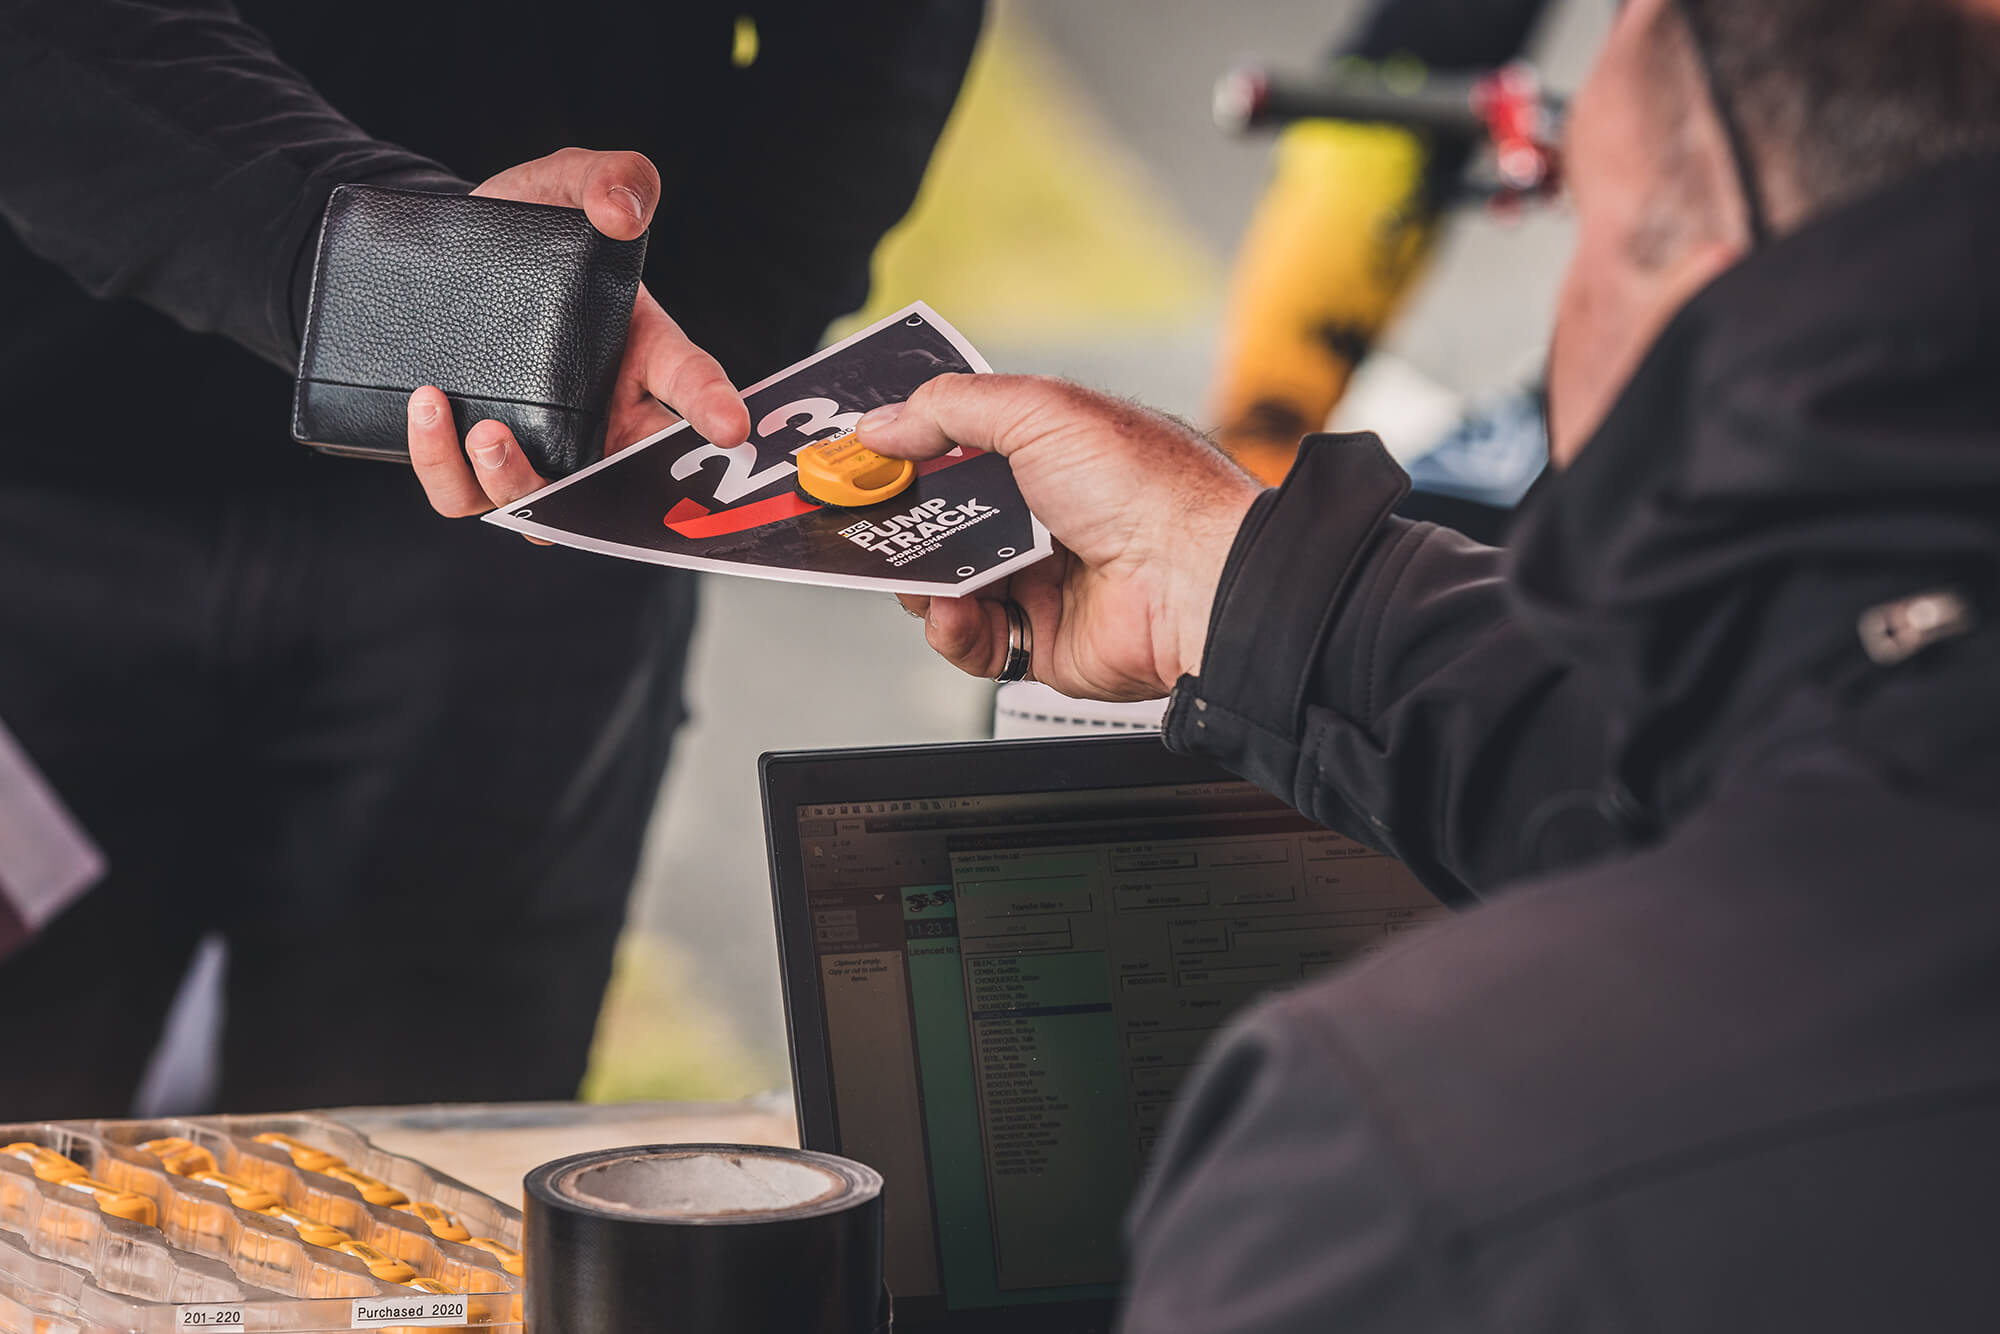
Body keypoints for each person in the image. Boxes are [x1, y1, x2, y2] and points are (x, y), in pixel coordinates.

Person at [858, 0, 2000, 1324]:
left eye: (1580, 224)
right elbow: (1834, 771)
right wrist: (1233, 580)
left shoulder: (1399, 1181)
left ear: (1694, 278)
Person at [0, 0, 978, 1114]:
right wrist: (444, 290)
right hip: (39, 493)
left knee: (415, 1201)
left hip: (529, 513)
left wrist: (700, 345)